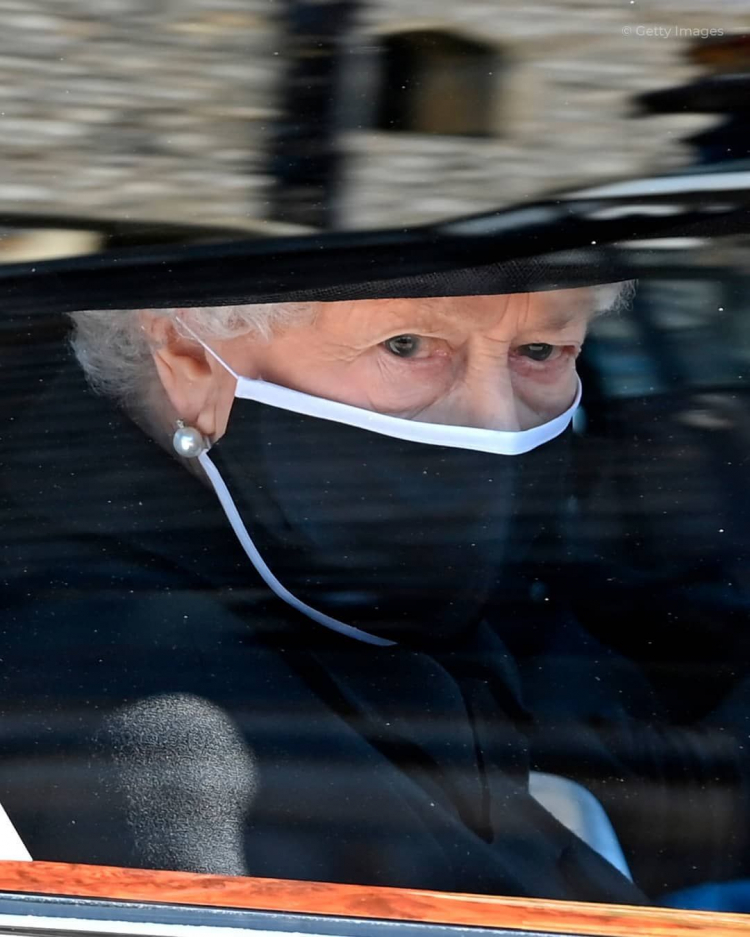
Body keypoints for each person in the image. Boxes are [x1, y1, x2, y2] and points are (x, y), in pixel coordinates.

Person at [1, 284, 749, 906]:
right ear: (190, 356)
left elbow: (612, 751)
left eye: (541, 351)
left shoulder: (334, 573)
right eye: (407, 345)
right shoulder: (136, 711)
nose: (496, 421)